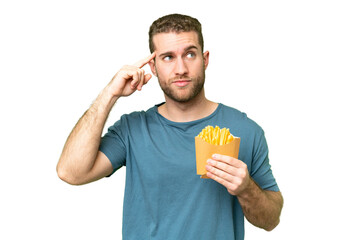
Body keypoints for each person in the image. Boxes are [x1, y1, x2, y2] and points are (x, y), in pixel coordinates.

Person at [57, 13, 283, 239]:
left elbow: (271, 220)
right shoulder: (133, 130)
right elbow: (70, 172)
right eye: (168, 57)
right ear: (153, 67)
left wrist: (246, 189)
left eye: (190, 54)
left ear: (205, 59)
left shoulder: (245, 130)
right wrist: (109, 94)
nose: (181, 68)